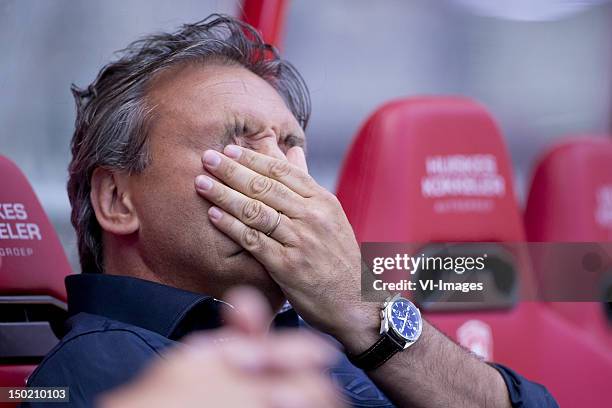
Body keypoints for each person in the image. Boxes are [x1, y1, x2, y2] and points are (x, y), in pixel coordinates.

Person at [24, 14, 558, 407]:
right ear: (118, 201)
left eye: (288, 145)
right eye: (238, 144)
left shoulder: (344, 335)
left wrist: (365, 311)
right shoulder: (93, 372)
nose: (282, 175)